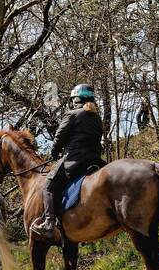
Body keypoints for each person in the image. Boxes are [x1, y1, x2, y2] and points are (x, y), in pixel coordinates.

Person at [31, 84, 104, 242]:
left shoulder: (72, 114)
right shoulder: (97, 118)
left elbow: (59, 137)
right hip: (95, 160)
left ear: (75, 100)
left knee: (48, 188)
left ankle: (49, 224)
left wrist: (54, 152)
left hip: (74, 159)